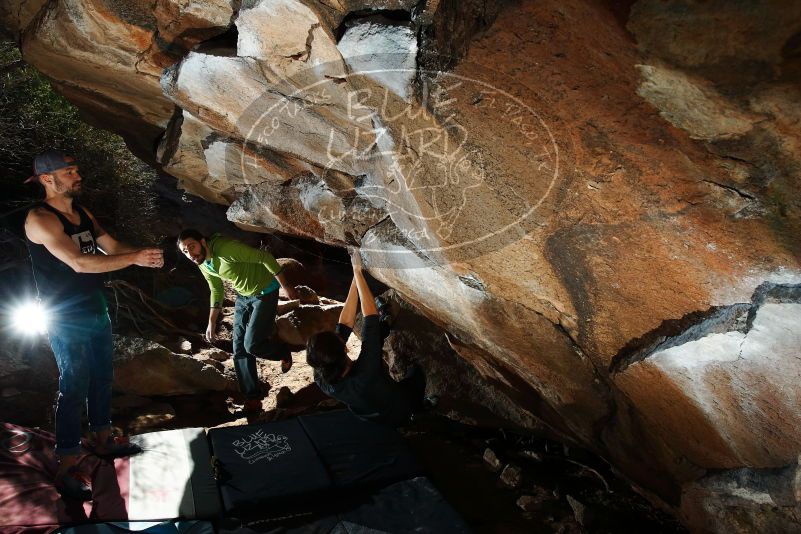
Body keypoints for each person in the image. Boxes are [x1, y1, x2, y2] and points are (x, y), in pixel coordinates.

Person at [23, 149, 164, 501]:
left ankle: (102, 440)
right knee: (73, 383)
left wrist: (143, 255)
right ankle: (67, 462)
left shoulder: (82, 212)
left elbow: (110, 245)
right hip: (63, 315)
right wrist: (132, 258)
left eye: (75, 168)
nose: (76, 175)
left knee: (103, 375)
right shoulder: (41, 219)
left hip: (93, 306)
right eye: (69, 171)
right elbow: (79, 263)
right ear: (47, 179)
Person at [176, 229, 298, 413]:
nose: (190, 254)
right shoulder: (202, 262)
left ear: (202, 241)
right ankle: (252, 399)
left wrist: (286, 286)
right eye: (185, 251)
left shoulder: (227, 250)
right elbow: (216, 289)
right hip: (243, 297)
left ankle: (282, 351)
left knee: (252, 345)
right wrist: (211, 322)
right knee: (239, 348)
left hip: (265, 292)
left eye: (191, 247)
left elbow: (264, 257)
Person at [306, 250, 425, 427]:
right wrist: (360, 274)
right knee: (416, 373)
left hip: (368, 415)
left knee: (374, 342)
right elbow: (370, 318)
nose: (339, 335)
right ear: (344, 349)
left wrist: (355, 277)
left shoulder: (322, 374)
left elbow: (345, 322)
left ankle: (387, 322)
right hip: (395, 411)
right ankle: (419, 410)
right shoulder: (364, 373)